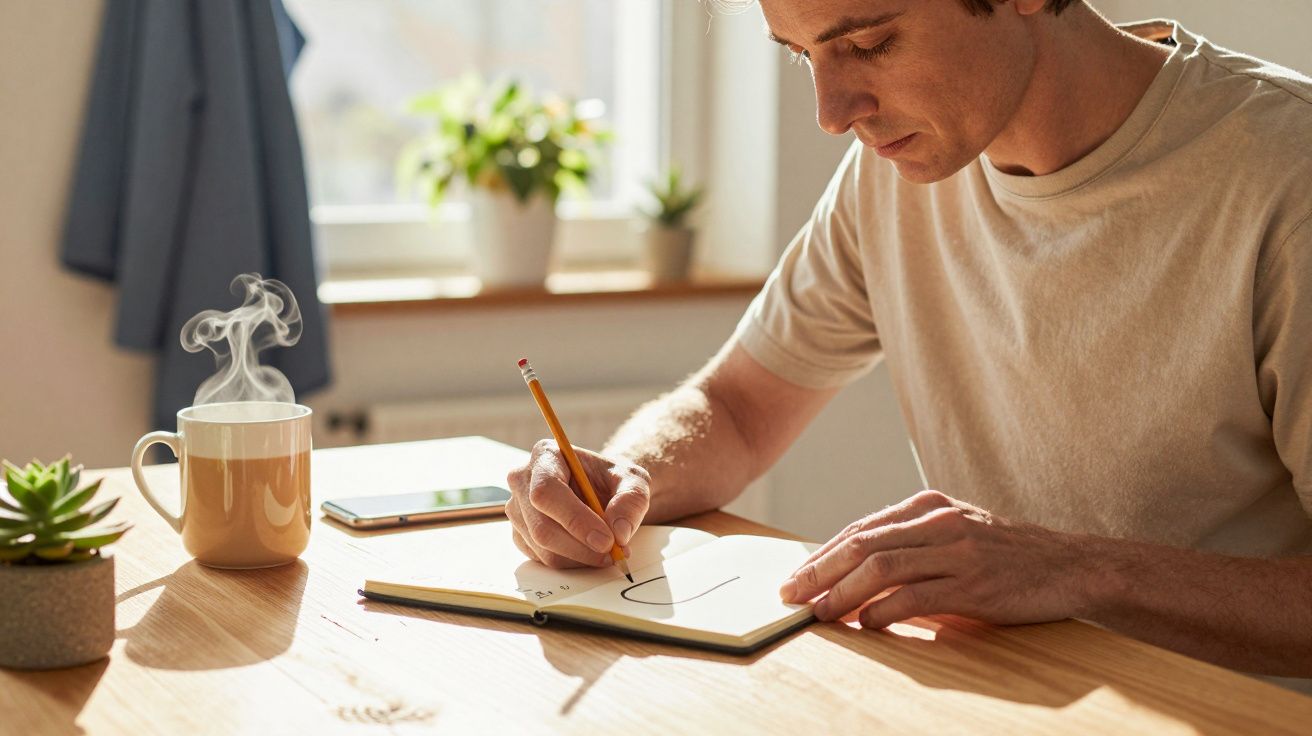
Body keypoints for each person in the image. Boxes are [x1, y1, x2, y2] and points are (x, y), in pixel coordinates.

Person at [505, 0, 1312, 684]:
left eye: (869, 44)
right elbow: (739, 407)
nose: (831, 113)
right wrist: (623, 478)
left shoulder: (1286, 178)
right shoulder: (892, 174)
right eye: (801, 57)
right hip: (995, 695)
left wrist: (1079, 571)